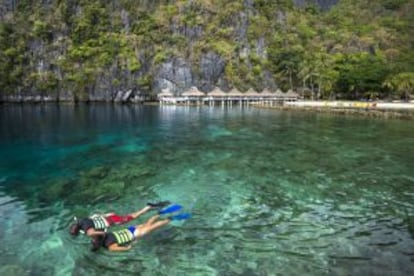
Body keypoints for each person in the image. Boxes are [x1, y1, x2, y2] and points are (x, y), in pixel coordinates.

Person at [91, 213, 191, 252]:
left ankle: (170, 219)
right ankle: (160, 213)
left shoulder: (110, 247)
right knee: (148, 223)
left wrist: (132, 244)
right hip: (130, 229)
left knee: (155, 226)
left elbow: (127, 248)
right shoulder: (105, 235)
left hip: (135, 234)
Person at [69, 201, 171, 237]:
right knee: (131, 215)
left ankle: (148, 207)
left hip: (113, 221)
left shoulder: (88, 231)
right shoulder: (81, 220)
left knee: (134, 216)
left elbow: (98, 233)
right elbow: (94, 216)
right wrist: (105, 215)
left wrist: (102, 233)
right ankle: (150, 208)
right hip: (110, 216)